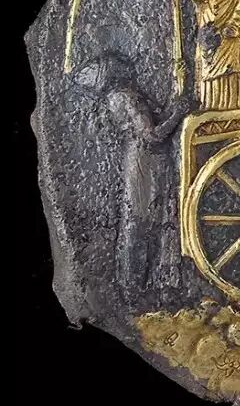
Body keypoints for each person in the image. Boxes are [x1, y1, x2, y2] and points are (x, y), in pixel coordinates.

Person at [76, 54, 190, 290]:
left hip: (138, 158)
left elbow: (155, 121)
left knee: (140, 218)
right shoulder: (127, 96)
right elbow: (153, 135)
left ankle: (134, 280)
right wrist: (179, 113)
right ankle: (138, 280)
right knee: (144, 219)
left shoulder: (114, 98)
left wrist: (177, 100)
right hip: (145, 161)